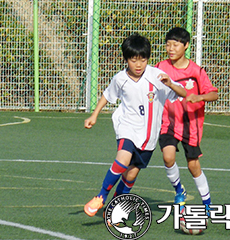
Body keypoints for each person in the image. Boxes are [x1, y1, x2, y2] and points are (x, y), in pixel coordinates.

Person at [83, 33, 187, 217]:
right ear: (126, 59)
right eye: (133, 60)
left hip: (149, 137)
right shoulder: (120, 78)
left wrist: (170, 83)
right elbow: (108, 95)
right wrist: (94, 115)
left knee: (131, 174)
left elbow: (183, 93)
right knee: (122, 159)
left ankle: (115, 206)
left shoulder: (158, 77)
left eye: (143, 59)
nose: (138, 65)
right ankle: (101, 196)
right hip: (127, 127)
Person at [155, 27, 218, 210]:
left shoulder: (196, 71)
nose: (171, 49)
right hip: (168, 122)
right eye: (168, 45)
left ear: (186, 46)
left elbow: (213, 94)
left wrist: (200, 97)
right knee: (168, 157)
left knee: (193, 166)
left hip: (191, 125)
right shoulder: (160, 67)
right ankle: (179, 190)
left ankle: (207, 203)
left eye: (175, 45)